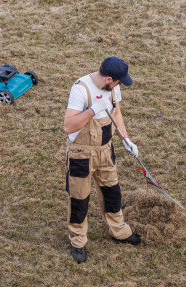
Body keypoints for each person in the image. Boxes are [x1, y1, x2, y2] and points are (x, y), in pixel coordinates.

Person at [63, 56, 141, 264]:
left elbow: (117, 112)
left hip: (106, 151)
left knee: (112, 193)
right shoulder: (81, 90)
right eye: (118, 81)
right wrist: (92, 111)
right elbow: (69, 127)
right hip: (82, 153)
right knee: (79, 200)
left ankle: (119, 231)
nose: (119, 85)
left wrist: (126, 139)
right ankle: (78, 241)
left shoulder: (112, 89)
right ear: (108, 79)